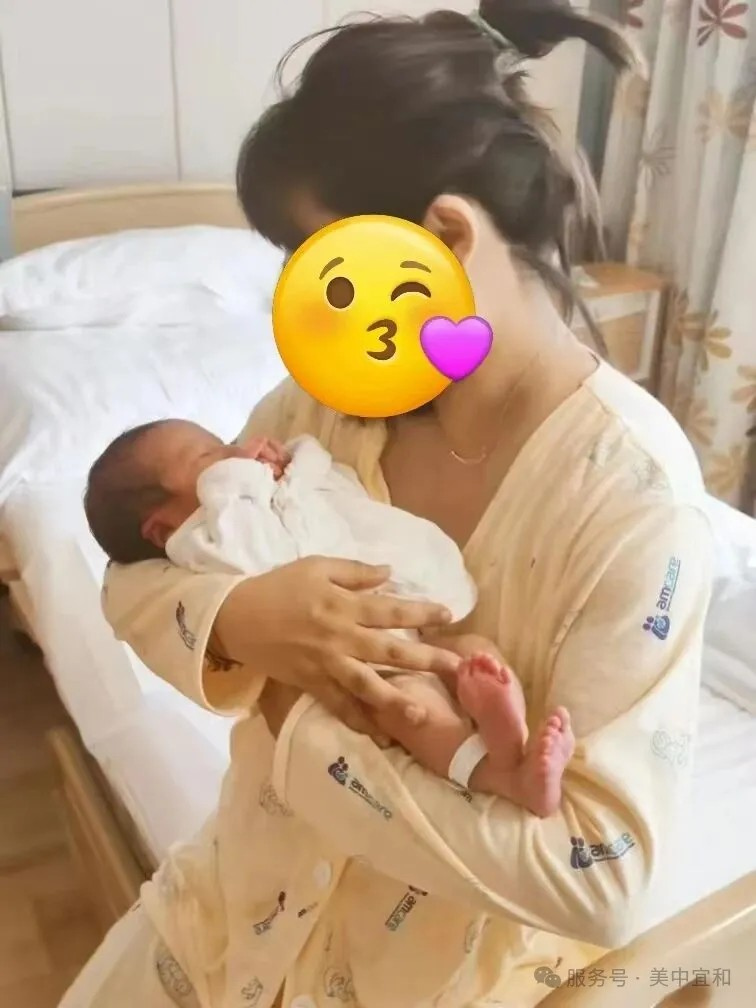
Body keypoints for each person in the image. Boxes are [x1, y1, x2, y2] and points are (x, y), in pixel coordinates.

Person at [61, 2, 713, 1006]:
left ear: (445, 235)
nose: (308, 310)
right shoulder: (321, 407)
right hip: (236, 907)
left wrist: (297, 720)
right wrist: (243, 619)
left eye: (324, 270)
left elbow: (601, 878)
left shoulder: (631, 497)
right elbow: (136, 571)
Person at [83, 419, 575, 816]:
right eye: (209, 457)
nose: (237, 450)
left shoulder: (264, 488)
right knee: (412, 706)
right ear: (162, 529)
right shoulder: (199, 542)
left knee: (475, 657)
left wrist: (291, 464)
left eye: (226, 442)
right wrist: (242, 476)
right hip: (361, 665)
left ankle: (509, 739)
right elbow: (241, 550)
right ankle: (497, 775)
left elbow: (331, 484)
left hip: (407, 624)